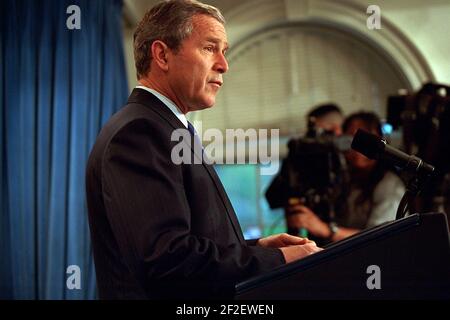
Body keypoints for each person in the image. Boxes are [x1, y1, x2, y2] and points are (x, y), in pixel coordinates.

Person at [85, 0, 321, 300]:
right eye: (210, 48)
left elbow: (191, 242)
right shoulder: (140, 133)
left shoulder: (165, 126)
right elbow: (168, 261)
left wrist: (255, 249)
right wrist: (278, 261)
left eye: (225, 51)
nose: (224, 64)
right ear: (162, 55)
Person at [286, 111, 406, 242]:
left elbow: (381, 238)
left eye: (366, 138)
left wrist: (327, 230)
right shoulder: (343, 179)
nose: (359, 146)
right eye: (351, 138)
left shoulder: (389, 184)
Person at [265, 103, 344, 239]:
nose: (312, 141)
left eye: (318, 134)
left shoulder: (349, 165)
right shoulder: (300, 158)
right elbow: (273, 196)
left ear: (335, 130)